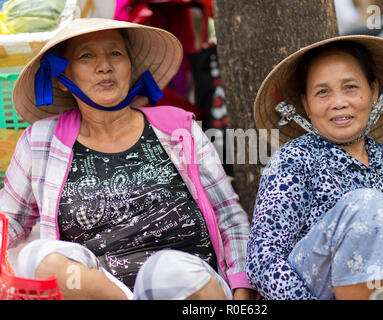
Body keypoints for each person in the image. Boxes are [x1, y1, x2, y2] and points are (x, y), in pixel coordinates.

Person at [0, 18, 255, 300]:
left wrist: (241, 295)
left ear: (130, 68)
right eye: (87, 56)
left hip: (191, 287)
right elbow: (8, 221)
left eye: (116, 53)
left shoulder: (178, 129)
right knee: (39, 257)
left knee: (168, 270)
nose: (104, 66)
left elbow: (229, 217)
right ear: (62, 78)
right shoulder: (40, 143)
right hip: (105, 291)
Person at [247, 35, 383, 300]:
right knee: (369, 206)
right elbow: (263, 258)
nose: (338, 102)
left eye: (350, 87)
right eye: (322, 92)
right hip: (315, 293)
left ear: (374, 92)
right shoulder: (294, 160)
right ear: (307, 104)